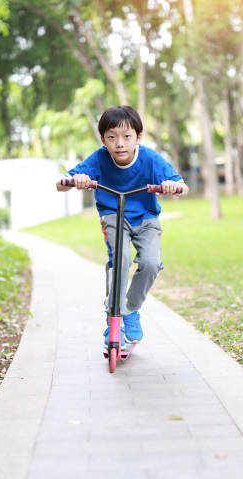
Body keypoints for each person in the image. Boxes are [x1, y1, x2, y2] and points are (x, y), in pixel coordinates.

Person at [56, 105, 189, 348]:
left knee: (150, 264)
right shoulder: (99, 158)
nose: (119, 144)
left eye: (127, 136)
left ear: (138, 137)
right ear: (103, 139)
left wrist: (172, 187)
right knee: (121, 261)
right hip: (113, 215)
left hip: (146, 219)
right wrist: (76, 180)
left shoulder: (149, 159)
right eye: (111, 137)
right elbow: (60, 184)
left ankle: (130, 310)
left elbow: (182, 185)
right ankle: (113, 318)